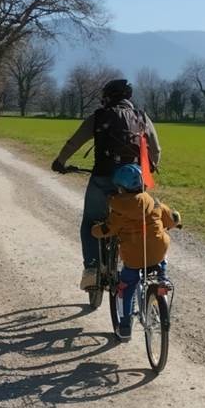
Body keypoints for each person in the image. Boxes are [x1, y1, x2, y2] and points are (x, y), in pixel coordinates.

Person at [51, 79, 161, 291]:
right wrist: (151, 168)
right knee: (133, 221)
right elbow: (156, 149)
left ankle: (92, 269)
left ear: (107, 97)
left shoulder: (99, 116)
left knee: (91, 221)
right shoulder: (141, 116)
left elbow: (75, 142)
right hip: (133, 182)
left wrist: (60, 162)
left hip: (103, 177)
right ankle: (137, 262)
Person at [91, 164, 181, 340]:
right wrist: (176, 222)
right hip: (156, 251)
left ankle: (125, 326)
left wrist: (94, 230)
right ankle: (162, 279)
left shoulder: (118, 210)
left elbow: (106, 230)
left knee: (127, 286)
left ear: (120, 188)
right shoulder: (155, 204)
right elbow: (172, 219)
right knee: (161, 258)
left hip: (132, 256)